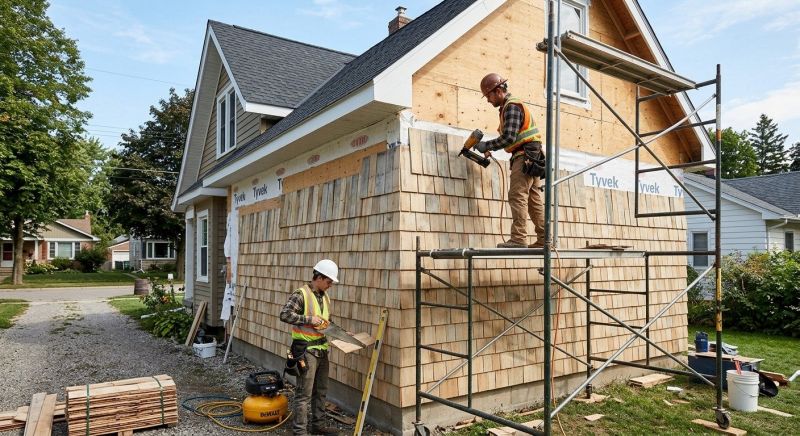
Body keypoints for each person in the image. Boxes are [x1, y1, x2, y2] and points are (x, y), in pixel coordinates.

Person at [475, 72, 546, 248]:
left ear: (498, 90)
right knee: (533, 200)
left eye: (488, 95)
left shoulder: (511, 106)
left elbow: (509, 138)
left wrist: (487, 145)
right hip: (532, 156)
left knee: (517, 195)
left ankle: (519, 238)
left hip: (525, 156)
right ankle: (545, 239)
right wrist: (490, 146)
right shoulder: (511, 106)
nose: (488, 100)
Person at [279, 259, 341, 436]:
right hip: (306, 352)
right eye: (329, 281)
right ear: (319, 277)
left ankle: (317, 426)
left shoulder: (324, 296)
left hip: (322, 350)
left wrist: (342, 333)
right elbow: (284, 314)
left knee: (321, 391)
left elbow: (326, 323)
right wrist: (308, 319)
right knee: (303, 394)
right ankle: (300, 432)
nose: (330, 285)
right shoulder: (301, 294)